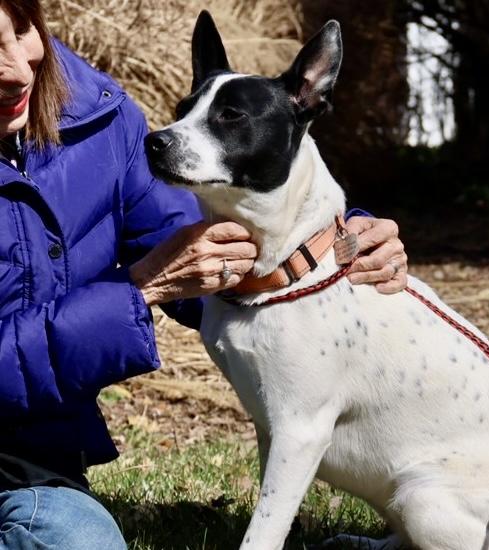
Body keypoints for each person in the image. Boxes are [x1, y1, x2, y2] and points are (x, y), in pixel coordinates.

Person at [0, 1, 408, 548]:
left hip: (27, 462)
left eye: (22, 31)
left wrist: (338, 240)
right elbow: (163, 269)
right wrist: (140, 288)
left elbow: (200, 239)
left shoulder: (96, 120)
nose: (18, 69)